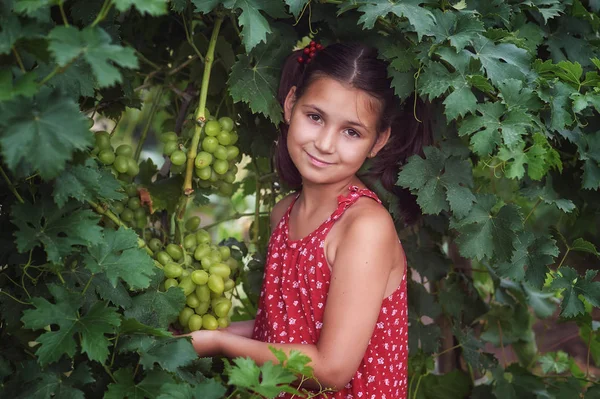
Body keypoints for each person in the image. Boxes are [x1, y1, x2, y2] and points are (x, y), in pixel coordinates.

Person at [189, 42, 431, 399]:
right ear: (290, 105)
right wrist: (206, 334)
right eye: (315, 117)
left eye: (351, 131)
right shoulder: (283, 213)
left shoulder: (364, 228)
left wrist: (219, 344)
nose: (325, 143)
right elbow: (276, 335)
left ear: (378, 141)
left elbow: (331, 369)